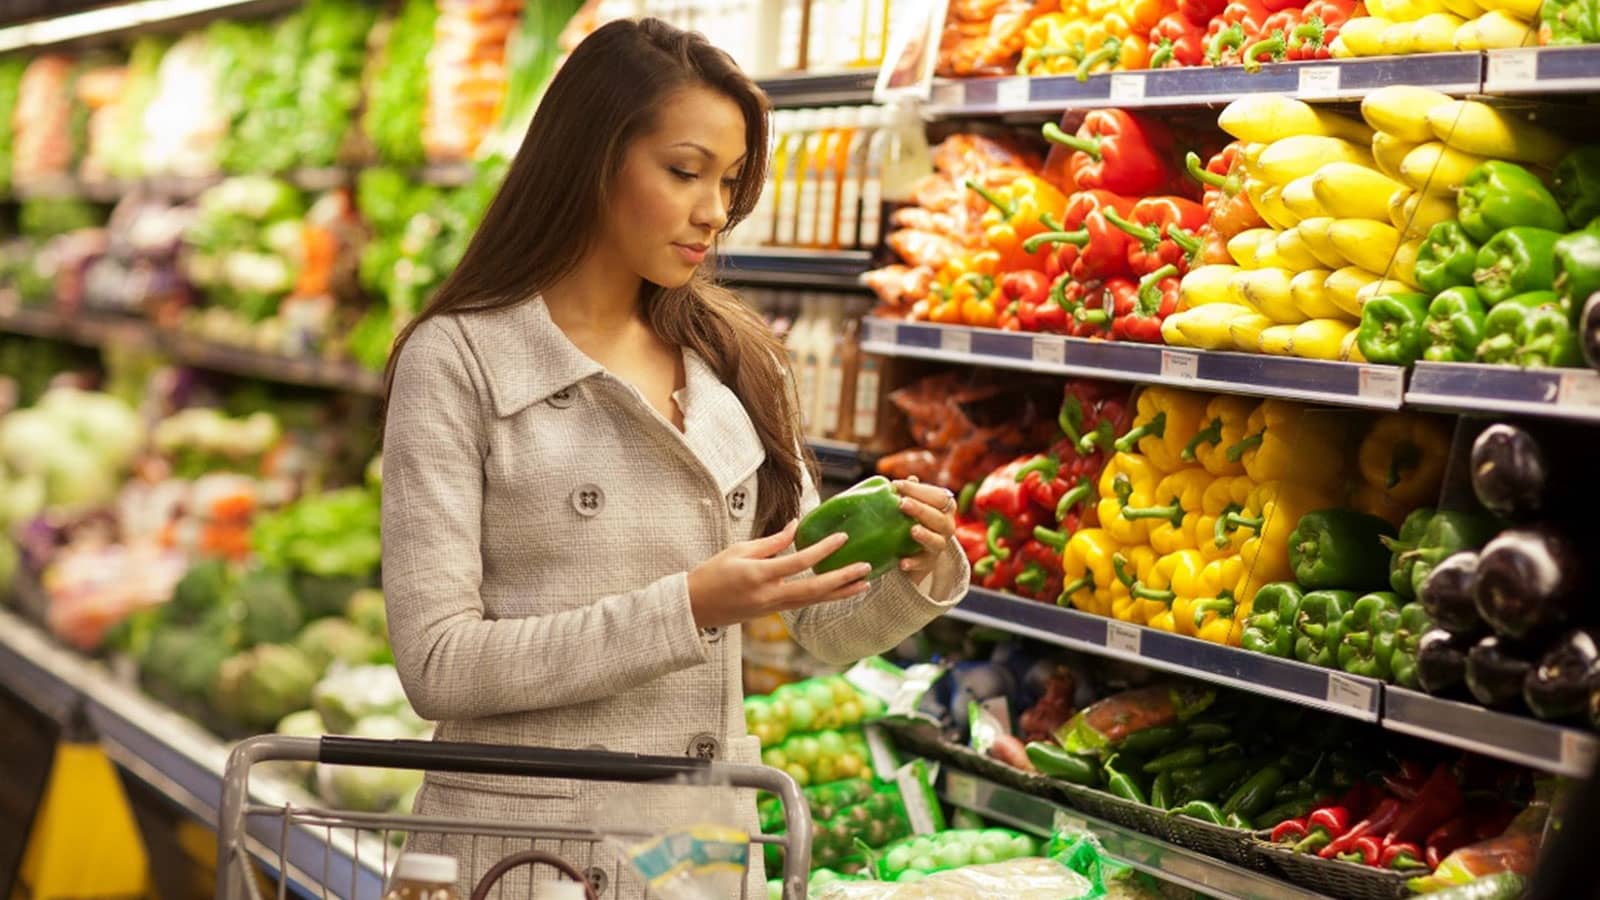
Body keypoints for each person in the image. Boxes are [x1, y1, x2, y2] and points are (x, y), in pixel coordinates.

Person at [379, 17, 970, 898]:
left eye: (729, 181)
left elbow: (820, 627)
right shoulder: (460, 359)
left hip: (691, 848)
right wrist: (689, 608)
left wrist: (914, 571)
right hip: (524, 851)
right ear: (591, 158)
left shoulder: (737, 358)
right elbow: (438, 663)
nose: (715, 211)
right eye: (685, 171)